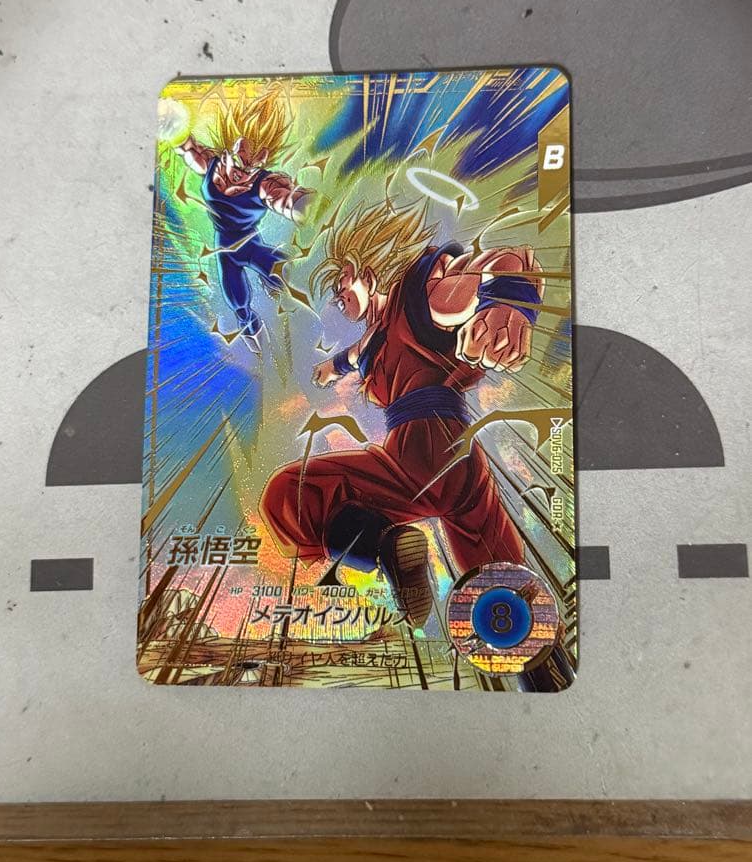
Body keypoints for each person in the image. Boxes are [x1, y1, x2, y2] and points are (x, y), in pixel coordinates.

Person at [259, 200, 544, 626]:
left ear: (368, 273)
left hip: (419, 453)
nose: (338, 295)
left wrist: (509, 303)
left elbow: (503, 263)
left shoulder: (420, 295)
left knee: (290, 496)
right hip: (462, 461)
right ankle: (534, 646)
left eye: (343, 281)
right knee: (502, 587)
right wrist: (329, 368)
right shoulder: (378, 335)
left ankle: (383, 547)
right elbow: (354, 356)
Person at [174, 90, 314, 351]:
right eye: (240, 162)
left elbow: (287, 199)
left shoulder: (264, 183)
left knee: (286, 275)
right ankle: (261, 350)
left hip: (251, 246)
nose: (242, 173)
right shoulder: (210, 163)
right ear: (230, 145)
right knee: (239, 306)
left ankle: (296, 329)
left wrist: (306, 206)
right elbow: (184, 143)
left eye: (253, 165)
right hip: (226, 251)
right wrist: (171, 123)